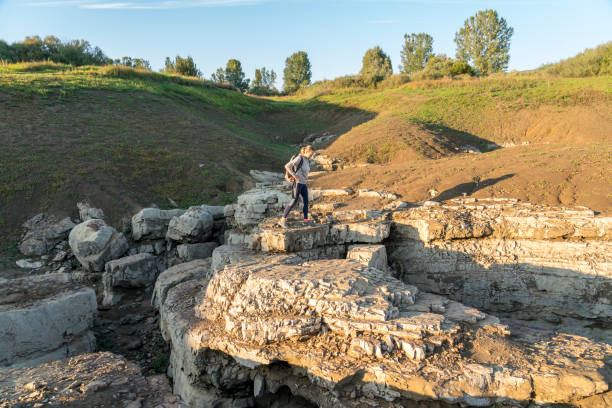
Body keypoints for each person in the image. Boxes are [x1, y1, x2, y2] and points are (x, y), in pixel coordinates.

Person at [279, 145, 316, 228]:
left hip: (303, 183)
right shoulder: (300, 158)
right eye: (311, 154)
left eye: (312, 155)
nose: (311, 156)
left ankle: (306, 221)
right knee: (294, 200)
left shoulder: (307, 160)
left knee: (306, 202)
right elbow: (287, 166)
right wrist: (295, 176)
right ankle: (282, 220)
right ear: (306, 152)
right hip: (297, 183)